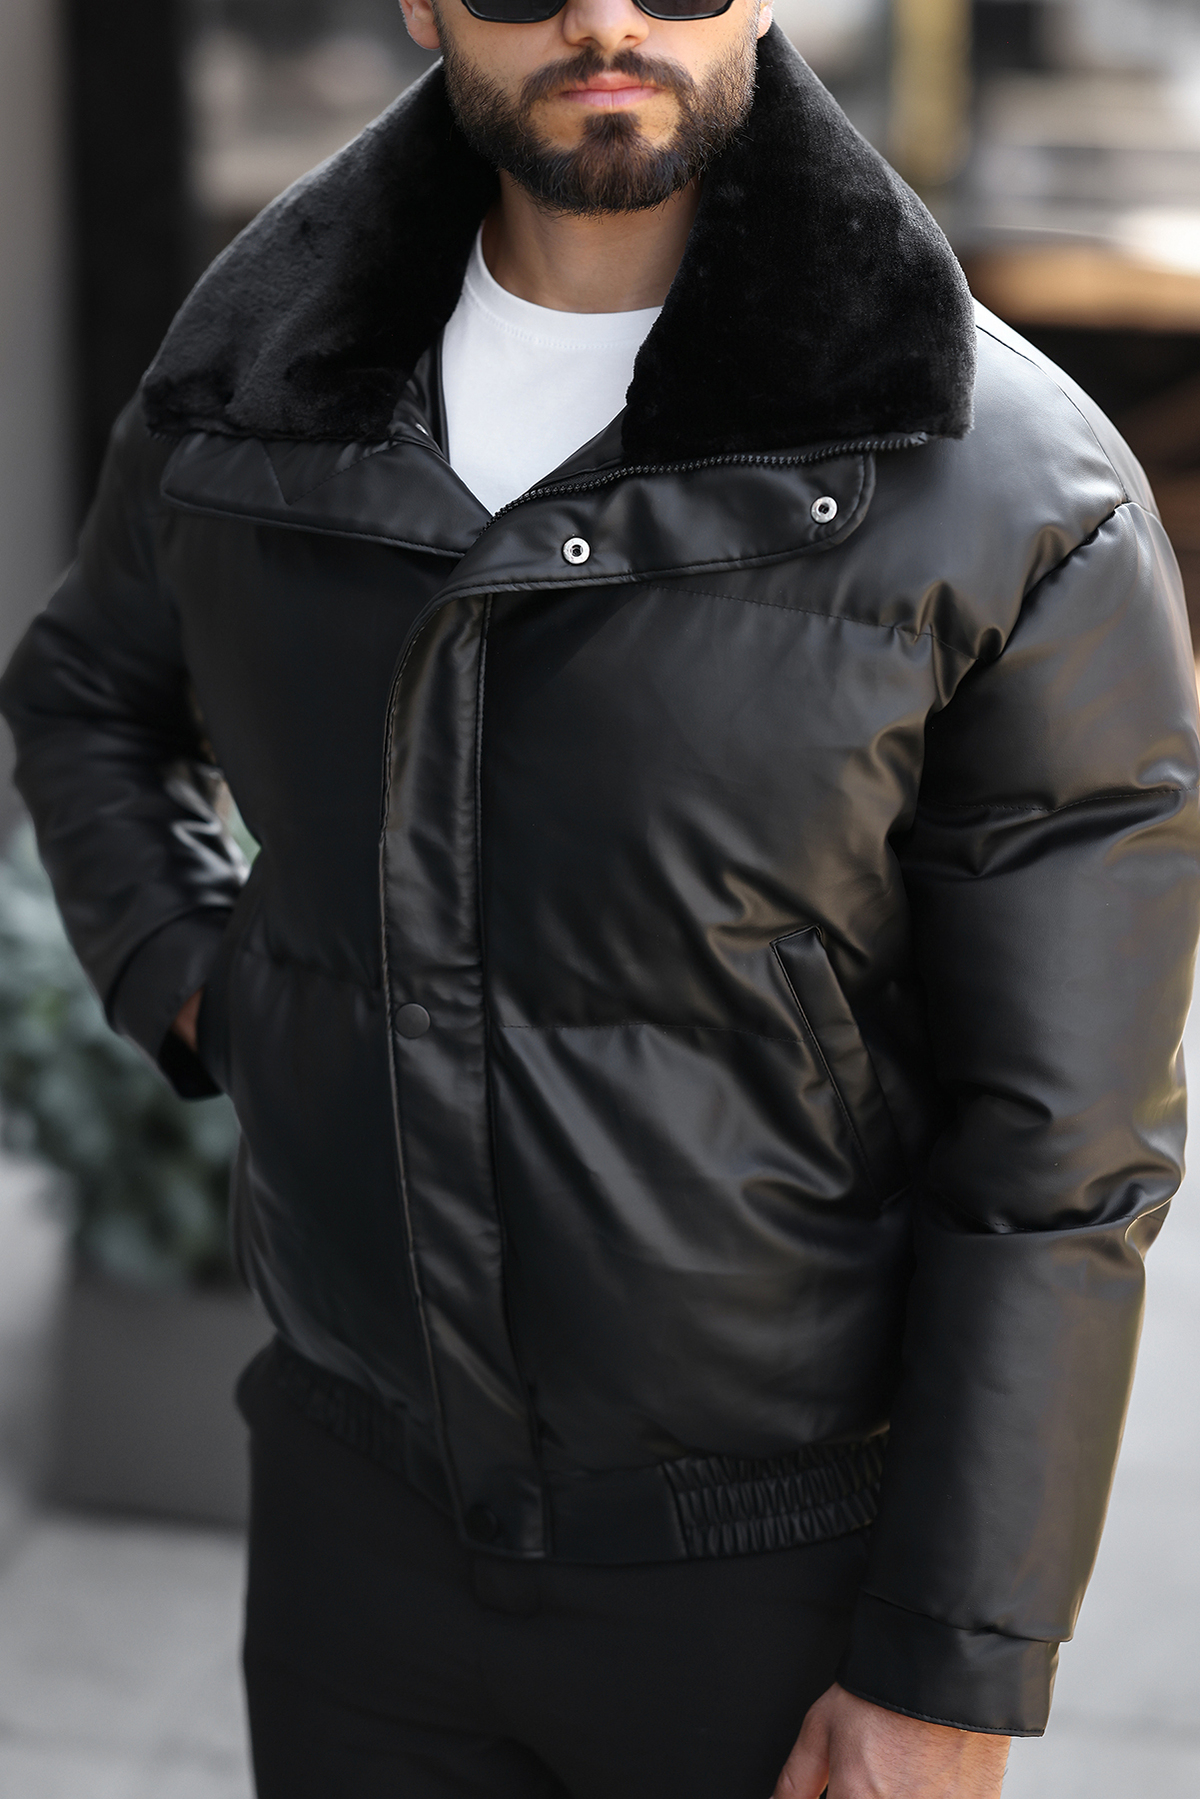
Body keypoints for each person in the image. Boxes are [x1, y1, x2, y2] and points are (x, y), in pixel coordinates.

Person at [3, 0, 1198, 1792]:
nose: (606, 14)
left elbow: (1065, 1155)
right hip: (352, 1519)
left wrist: (950, 1666)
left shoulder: (1014, 487)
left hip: (773, 1574)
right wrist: (206, 984)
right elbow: (89, 693)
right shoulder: (255, 374)